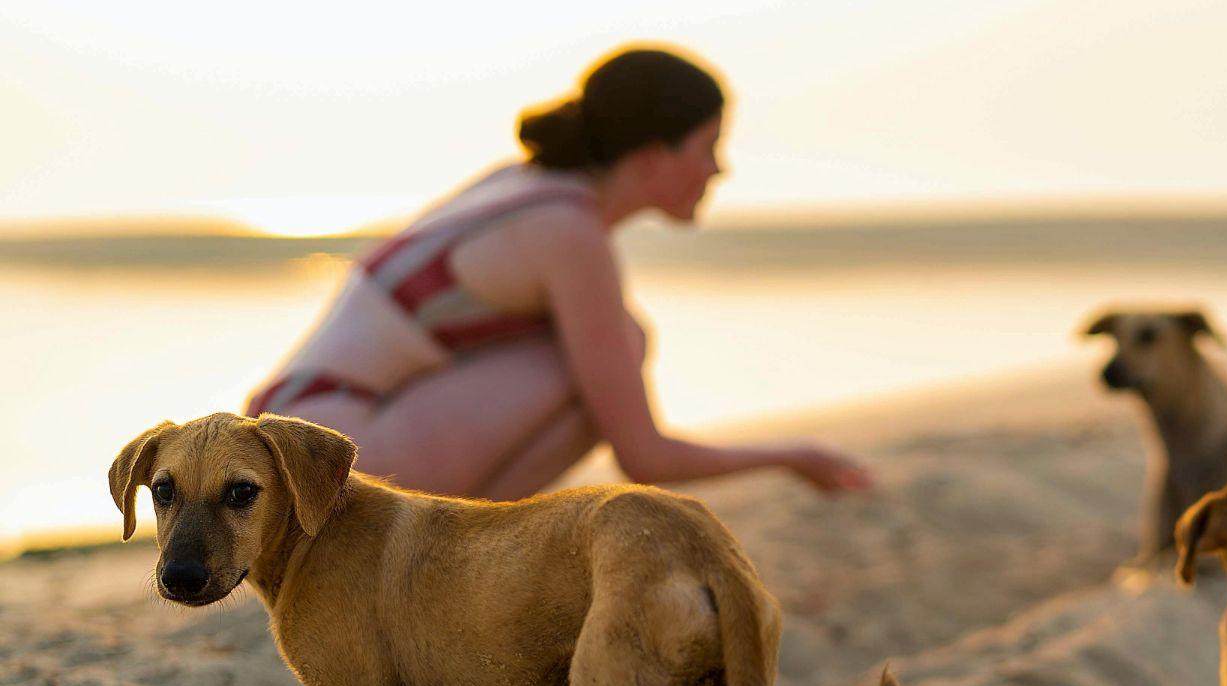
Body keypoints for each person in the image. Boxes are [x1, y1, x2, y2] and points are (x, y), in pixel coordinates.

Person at [245, 45, 873, 498]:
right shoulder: (567, 233)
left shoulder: (526, 187)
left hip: (286, 446)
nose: (719, 169)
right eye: (708, 147)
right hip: (323, 463)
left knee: (608, 347)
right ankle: (458, 547)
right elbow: (643, 455)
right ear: (654, 155)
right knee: (622, 342)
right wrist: (794, 455)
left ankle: (455, 542)